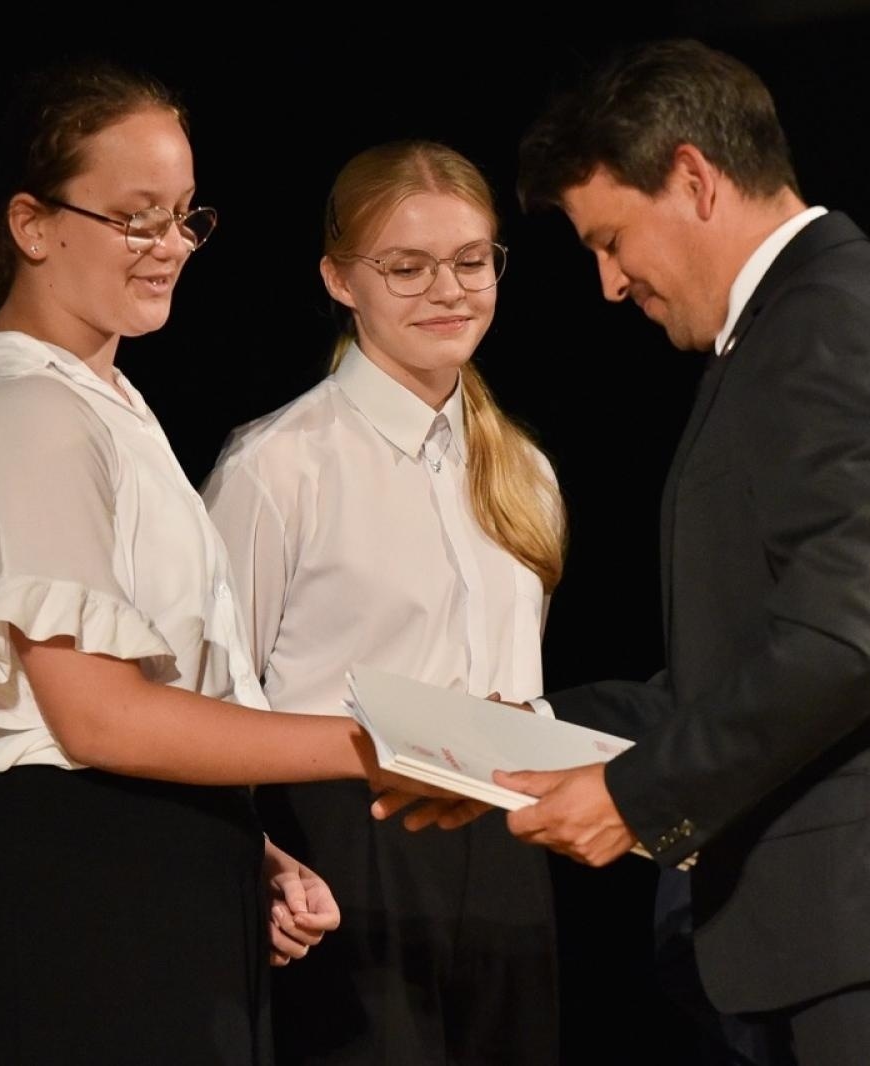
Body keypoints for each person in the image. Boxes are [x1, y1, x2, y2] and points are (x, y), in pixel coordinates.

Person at [486, 38, 870, 1064]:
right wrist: (523, 737)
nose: (607, 283)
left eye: (610, 238)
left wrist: (635, 795)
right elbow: (749, 668)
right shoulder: (814, 323)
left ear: (691, 178)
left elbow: (841, 643)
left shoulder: (826, 330)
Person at [0, 62, 424, 1065]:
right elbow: (93, 716)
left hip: (136, 880)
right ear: (34, 224)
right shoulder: (27, 412)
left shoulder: (100, 403)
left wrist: (241, 852)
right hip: (66, 902)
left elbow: (127, 709)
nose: (171, 247)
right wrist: (379, 742)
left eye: (186, 217)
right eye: (137, 218)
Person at [202, 140, 566, 1066]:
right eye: (406, 267)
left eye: (471, 261)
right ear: (340, 279)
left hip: (505, 858)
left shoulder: (523, 471)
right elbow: (211, 701)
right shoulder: (278, 466)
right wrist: (255, 863)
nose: (446, 290)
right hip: (346, 855)